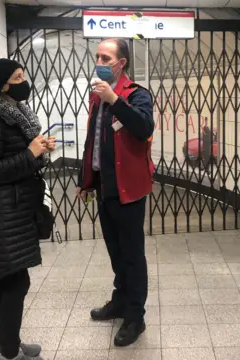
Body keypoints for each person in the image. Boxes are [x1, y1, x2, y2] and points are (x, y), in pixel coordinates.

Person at [0, 58, 56, 360]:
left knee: (3, 279)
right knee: (15, 281)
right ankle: (8, 351)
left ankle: (5, 342)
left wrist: (38, 149)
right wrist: (30, 152)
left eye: (23, 74)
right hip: (2, 214)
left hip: (15, 211)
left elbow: (17, 156)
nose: (24, 81)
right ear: (3, 85)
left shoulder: (14, 114)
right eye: (17, 77)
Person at [76, 38, 155, 347]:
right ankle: (120, 301)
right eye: (97, 56)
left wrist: (114, 99)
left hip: (129, 191)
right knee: (115, 251)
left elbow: (143, 127)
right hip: (106, 187)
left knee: (132, 255)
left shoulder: (137, 95)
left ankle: (135, 316)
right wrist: (86, 180)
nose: (99, 61)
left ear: (121, 63)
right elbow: (93, 143)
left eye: (106, 57)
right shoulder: (96, 99)